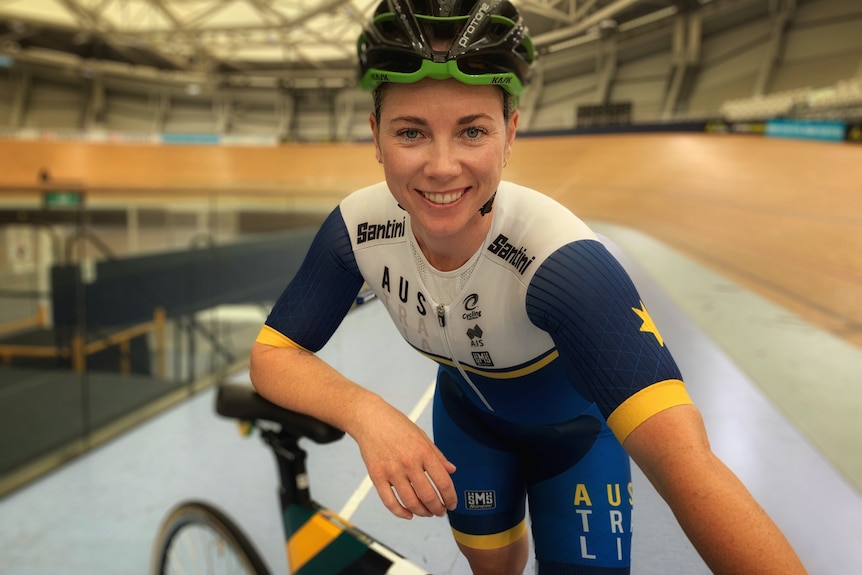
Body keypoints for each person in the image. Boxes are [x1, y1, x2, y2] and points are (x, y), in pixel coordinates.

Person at [250, 0, 808, 573]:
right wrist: (366, 413)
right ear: (375, 136)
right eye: (411, 132)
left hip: (579, 443)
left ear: (510, 134)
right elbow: (272, 353)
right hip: (469, 424)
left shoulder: (564, 265)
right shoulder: (356, 229)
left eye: (472, 131)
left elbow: (690, 469)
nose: (442, 167)